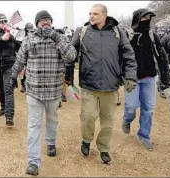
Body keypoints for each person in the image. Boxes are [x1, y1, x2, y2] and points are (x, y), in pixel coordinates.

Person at [65, 4, 137, 164]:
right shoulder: (82, 31)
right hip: (89, 84)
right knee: (88, 117)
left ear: (104, 15)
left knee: (107, 121)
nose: (91, 16)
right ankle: (86, 139)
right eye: (90, 13)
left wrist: (130, 76)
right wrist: (67, 79)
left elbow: (129, 55)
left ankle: (104, 148)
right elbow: (70, 55)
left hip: (111, 86)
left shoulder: (118, 32)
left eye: (95, 14)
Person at [11, 10, 76, 176]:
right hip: (34, 91)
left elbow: (71, 57)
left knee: (52, 120)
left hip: (54, 91)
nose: (45, 23)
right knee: (34, 125)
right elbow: (20, 60)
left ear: (52, 22)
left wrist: (55, 37)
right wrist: (13, 76)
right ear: (37, 23)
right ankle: (33, 162)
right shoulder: (29, 39)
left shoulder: (60, 38)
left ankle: (51, 142)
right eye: (42, 20)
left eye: (48, 20)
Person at [122, 8, 170, 151]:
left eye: (149, 18)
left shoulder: (152, 36)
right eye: (144, 18)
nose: (147, 20)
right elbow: (120, 57)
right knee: (131, 107)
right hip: (131, 78)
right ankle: (127, 119)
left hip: (149, 78)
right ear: (137, 18)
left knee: (148, 109)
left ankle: (144, 135)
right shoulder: (127, 35)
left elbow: (162, 57)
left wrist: (165, 79)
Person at [19, 22, 34, 93]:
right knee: (23, 72)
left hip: (30, 55)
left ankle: (29, 85)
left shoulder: (33, 35)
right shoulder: (21, 35)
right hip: (22, 55)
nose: (29, 31)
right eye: (28, 30)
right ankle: (22, 85)